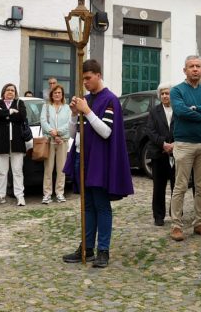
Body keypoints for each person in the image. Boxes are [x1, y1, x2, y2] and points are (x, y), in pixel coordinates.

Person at [61, 59, 134, 268]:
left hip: (99, 160)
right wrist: (75, 115)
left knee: (102, 206)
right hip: (81, 157)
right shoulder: (85, 100)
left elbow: (106, 131)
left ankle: (103, 250)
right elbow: (73, 133)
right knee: (87, 206)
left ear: (98, 75)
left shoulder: (110, 100)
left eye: (88, 78)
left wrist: (87, 111)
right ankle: (86, 247)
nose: (85, 82)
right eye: (83, 78)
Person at [168, 56, 201, 242]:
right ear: (185, 70)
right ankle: (176, 225)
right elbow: (181, 111)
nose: (195, 69)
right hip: (184, 143)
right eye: (191, 66)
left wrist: (196, 108)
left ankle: (199, 222)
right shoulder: (177, 91)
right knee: (180, 185)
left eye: (198, 66)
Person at [0, 83, 29, 206]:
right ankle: (1, 195)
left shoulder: (20, 103)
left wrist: (6, 115)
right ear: (3, 92)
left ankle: (20, 195)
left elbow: (22, 116)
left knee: (17, 171)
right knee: (2, 171)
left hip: (17, 142)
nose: (10, 92)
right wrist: (10, 112)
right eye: (8, 90)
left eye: (12, 90)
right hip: (2, 142)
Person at [146, 83, 176, 226]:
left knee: (177, 187)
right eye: (162, 93)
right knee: (158, 187)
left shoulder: (178, 110)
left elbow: (183, 128)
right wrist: (163, 144)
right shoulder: (154, 111)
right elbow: (150, 131)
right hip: (159, 153)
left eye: (167, 93)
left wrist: (175, 145)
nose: (165, 96)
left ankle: (176, 214)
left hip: (177, 154)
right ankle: (158, 215)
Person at [40, 84, 71, 204]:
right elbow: (43, 121)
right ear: (51, 95)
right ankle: (47, 194)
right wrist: (53, 134)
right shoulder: (46, 107)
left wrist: (58, 133)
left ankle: (60, 193)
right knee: (48, 169)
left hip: (62, 141)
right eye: (55, 93)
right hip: (49, 141)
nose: (57, 94)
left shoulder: (67, 108)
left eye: (59, 92)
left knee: (61, 169)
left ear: (62, 95)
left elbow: (69, 123)